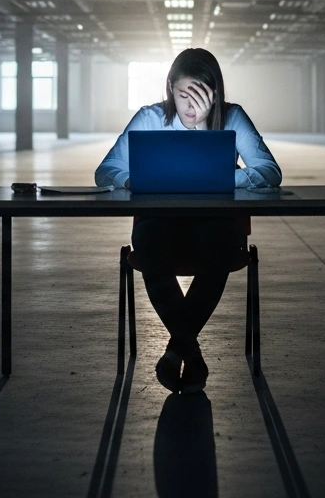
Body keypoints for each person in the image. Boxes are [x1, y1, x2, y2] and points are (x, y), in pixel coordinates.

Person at [95, 48, 281, 393]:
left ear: (216, 93)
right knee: (150, 241)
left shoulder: (231, 116)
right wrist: (132, 180)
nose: (191, 106)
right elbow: (106, 170)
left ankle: (176, 348)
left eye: (202, 95)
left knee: (220, 242)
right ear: (170, 88)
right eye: (184, 95)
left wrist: (223, 173)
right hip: (161, 223)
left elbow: (270, 172)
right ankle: (188, 349)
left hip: (215, 224)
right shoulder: (150, 117)